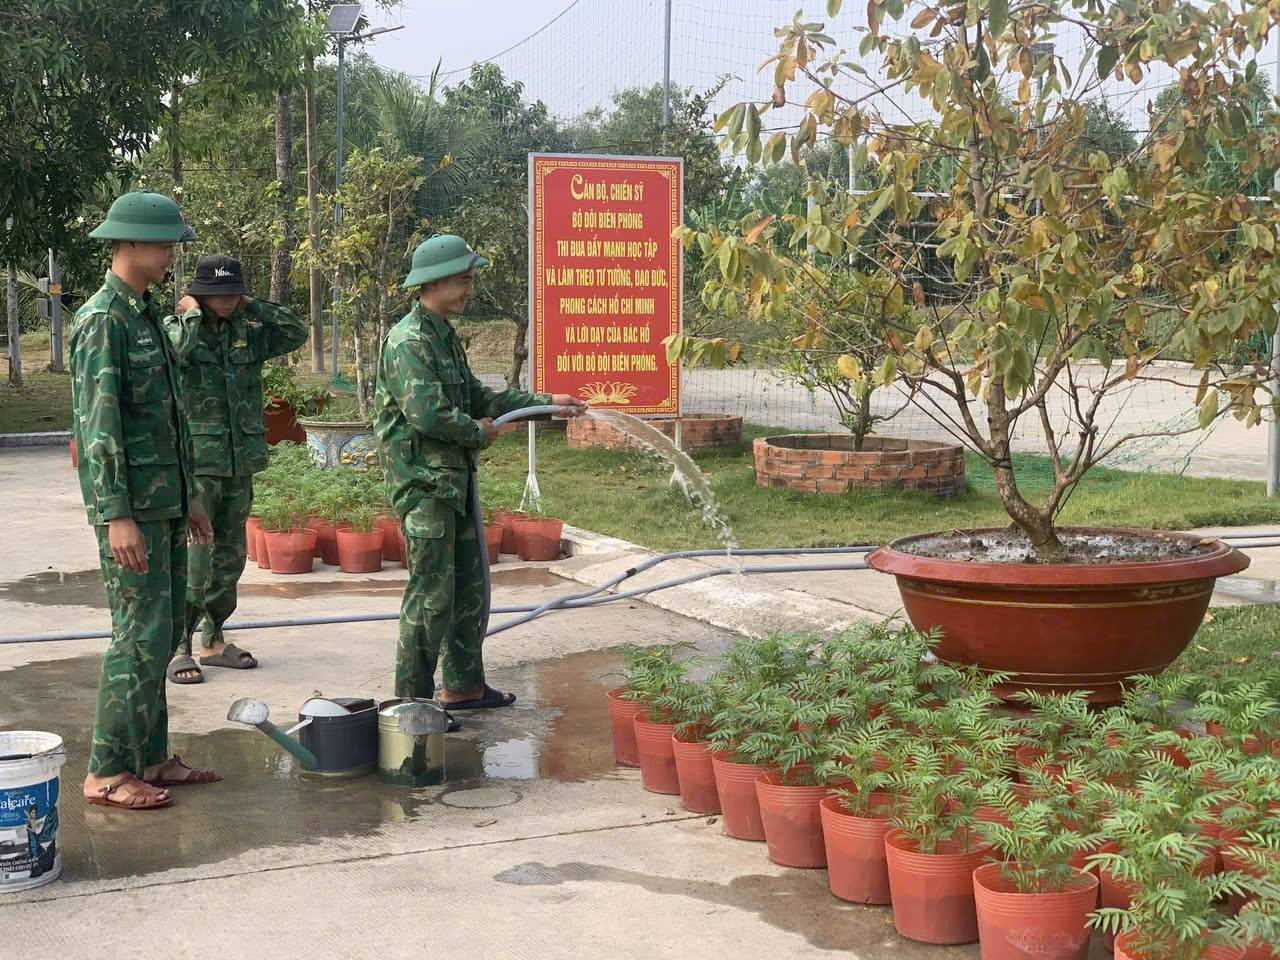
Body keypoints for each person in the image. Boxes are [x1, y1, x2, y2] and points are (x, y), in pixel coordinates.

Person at [374, 234, 586, 713]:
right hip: (424, 486)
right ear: (434, 282)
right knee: (431, 597)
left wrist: (546, 402)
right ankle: (411, 706)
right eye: (464, 280)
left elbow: (476, 397)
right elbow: (429, 415)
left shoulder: (442, 335)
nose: (470, 289)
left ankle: (463, 686)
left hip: (451, 481)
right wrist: (479, 432)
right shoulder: (409, 341)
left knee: (469, 589)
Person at [71, 191, 218, 810]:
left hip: (164, 503)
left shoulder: (145, 312)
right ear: (127, 242)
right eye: (162, 244)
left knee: (162, 632)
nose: (170, 255)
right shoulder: (103, 319)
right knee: (136, 637)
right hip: (132, 510)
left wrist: (189, 497)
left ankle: (151, 756)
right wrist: (117, 516)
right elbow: (99, 429)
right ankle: (107, 771)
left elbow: (166, 418)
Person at [162, 254, 310, 683]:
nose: (228, 299)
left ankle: (213, 639)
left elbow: (296, 331)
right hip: (200, 463)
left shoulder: (247, 331)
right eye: (220, 293)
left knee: (230, 557)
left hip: (240, 460)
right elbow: (175, 354)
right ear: (201, 294)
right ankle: (178, 647)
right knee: (195, 558)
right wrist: (191, 315)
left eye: (234, 292)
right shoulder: (179, 328)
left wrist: (253, 305)